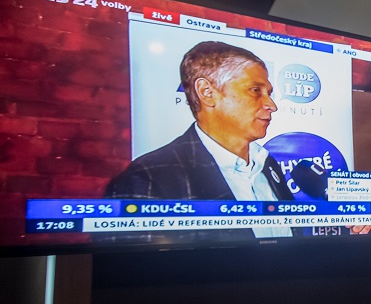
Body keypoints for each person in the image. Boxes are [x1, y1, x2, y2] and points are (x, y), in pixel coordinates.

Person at [104, 40, 292, 238]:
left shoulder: (267, 164)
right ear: (207, 93)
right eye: (255, 90)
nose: (271, 105)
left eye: (269, 93)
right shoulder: (147, 178)